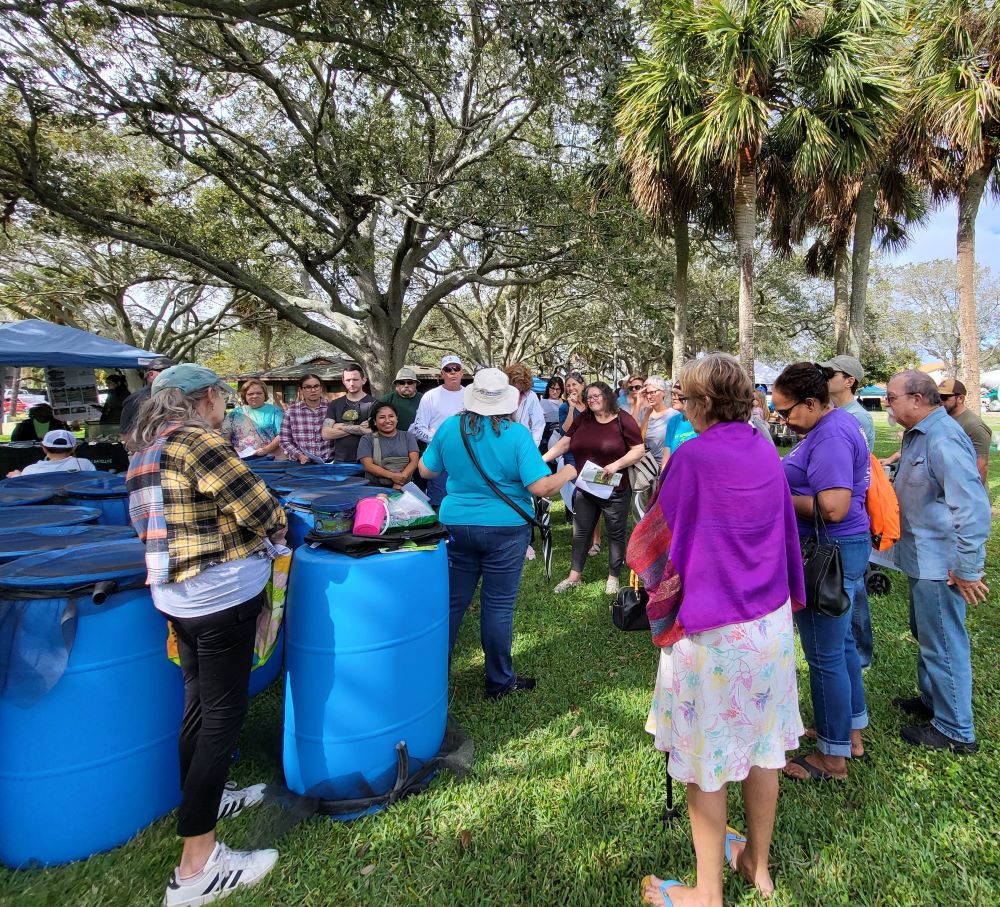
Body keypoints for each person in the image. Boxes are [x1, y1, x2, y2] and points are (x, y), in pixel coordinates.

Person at [631, 353, 805, 907]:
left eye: (683, 398)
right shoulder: (763, 446)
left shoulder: (692, 457)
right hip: (769, 626)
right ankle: (758, 864)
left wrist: (651, 578)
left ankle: (706, 893)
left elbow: (656, 539)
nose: (679, 404)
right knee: (761, 751)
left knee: (706, 762)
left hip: (713, 633)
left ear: (702, 403)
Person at [126, 364, 287, 906]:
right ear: (211, 398)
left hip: (177, 596)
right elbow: (261, 507)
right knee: (223, 716)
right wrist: (277, 524)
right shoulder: (199, 440)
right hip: (220, 594)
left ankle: (208, 801)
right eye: (222, 397)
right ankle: (197, 867)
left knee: (198, 706)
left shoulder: (146, 449)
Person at [418, 369, 577, 698]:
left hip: (457, 524)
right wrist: (570, 472)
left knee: (451, 603)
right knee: (498, 606)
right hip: (506, 528)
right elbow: (540, 487)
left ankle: (433, 675)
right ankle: (499, 681)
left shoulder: (450, 427)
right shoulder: (517, 434)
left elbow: (426, 470)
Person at [772, 362, 870, 781]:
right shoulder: (826, 429)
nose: (782, 419)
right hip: (839, 549)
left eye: (786, 410)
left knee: (824, 655)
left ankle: (832, 758)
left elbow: (832, 507)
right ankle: (848, 732)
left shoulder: (829, 435)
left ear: (812, 402)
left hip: (826, 553)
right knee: (842, 645)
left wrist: (776, 492)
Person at [886, 370, 990, 754]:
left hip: (939, 564)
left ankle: (955, 729)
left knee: (943, 642)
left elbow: (972, 507)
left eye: (892, 397)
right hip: (921, 558)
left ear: (916, 398)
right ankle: (933, 701)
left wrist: (965, 568)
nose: (888, 404)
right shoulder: (921, 435)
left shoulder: (943, 438)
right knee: (928, 635)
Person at [543, 381, 645, 596]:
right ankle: (574, 576)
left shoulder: (622, 420)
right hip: (587, 485)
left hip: (614, 488)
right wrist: (540, 461)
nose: (593, 399)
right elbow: (564, 443)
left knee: (616, 533)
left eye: (597, 395)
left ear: (607, 396)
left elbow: (638, 449)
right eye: (589, 396)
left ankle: (613, 577)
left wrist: (616, 465)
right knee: (580, 533)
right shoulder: (584, 418)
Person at [412, 355, 468, 506]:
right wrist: (438, 440)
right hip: (439, 456)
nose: (452, 372)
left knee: (465, 498)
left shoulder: (470, 395)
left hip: (466, 456)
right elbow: (418, 428)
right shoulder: (430, 396)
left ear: (462, 372)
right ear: (442, 373)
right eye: (447, 369)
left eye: (456, 368)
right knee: (440, 501)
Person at [938, 378, 991, 485]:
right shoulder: (943, 418)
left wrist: (973, 497)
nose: (940, 401)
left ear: (961, 398)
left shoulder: (974, 425)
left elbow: (981, 465)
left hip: (966, 491)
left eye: (944, 397)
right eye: (937, 397)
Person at [321, 363, 375, 462]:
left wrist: (338, 426)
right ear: (343, 381)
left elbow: (372, 431)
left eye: (355, 379)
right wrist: (359, 428)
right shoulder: (335, 404)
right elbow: (325, 434)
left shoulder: (374, 404)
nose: (351, 383)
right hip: (340, 461)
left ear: (364, 380)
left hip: (368, 461)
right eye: (348, 380)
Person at [357, 401, 419, 489]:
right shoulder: (366, 439)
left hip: (404, 487)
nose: (387, 420)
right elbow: (368, 466)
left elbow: (414, 461)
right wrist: (392, 476)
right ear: (374, 421)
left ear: (396, 418)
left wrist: (401, 480)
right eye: (382, 417)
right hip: (375, 488)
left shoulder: (407, 436)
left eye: (391, 416)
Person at [820, 354, 875, 451]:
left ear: (849, 382)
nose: (824, 377)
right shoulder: (827, 411)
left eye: (829, 373)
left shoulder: (858, 417)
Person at [278, 373, 334, 464]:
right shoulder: (291, 411)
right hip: (300, 463)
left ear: (321, 388)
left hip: (329, 462)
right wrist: (299, 455)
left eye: (316, 386)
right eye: (308, 387)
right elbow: (284, 440)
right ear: (301, 390)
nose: (313, 390)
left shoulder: (333, 407)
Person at [221, 380, 284, 459]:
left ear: (265, 394)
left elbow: (282, 434)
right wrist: (231, 450)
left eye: (259, 393)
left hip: (268, 459)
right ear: (245, 396)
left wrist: (266, 450)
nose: (254, 396)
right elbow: (224, 435)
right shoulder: (235, 413)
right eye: (250, 394)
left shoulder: (275, 411)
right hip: (241, 460)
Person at [119, 356, 177, 441]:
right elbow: (126, 434)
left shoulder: (179, 396)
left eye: (174, 373)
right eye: (168, 372)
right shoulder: (135, 400)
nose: (173, 376)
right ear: (151, 375)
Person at [6, 430, 96, 477]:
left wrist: (17, 477)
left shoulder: (30, 470)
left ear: (44, 448)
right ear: (74, 448)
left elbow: (25, 491)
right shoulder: (85, 464)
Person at [639, 376, 679, 467]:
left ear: (663, 392)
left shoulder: (674, 415)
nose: (649, 396)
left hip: (667, 467)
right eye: (646, 393)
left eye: (652, 392)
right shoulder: (644, 414)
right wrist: (638, 403)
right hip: (647, 468)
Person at [504, 362, 546, 446]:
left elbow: (538, 424)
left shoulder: (531, 396)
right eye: (514, 382)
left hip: (524, 441)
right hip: (505, 439)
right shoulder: (504, 394)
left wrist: (534, 446)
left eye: (520, 382)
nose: (517, 385)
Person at [661, 384, 698, 470]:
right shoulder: (673, 421)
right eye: (672, 394)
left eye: (679, 395)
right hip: (674, 473)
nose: (673, 398)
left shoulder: (700, 422)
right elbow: (666, 456)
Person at [380, 367, 423, 432]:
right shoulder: (386, 400)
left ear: (415, 384)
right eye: (402, 383)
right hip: (393, 439)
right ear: (397, 385)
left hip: (420, 440)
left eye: (410, 382)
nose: (406, 385)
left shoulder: (424, 399)